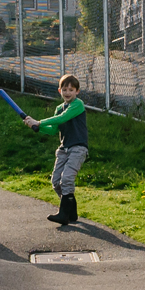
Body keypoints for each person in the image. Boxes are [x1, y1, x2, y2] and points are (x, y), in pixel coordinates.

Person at [25, 74, 88, 225]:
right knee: (56, 182)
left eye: (71, 90)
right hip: (64, 148)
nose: (67, 93)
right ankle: (71, 211)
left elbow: (62, 119)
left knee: (66, 179)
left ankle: (63, 214)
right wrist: (35, 127)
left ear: (77, 91)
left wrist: (38, 122)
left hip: (78, 148)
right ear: (59, 90)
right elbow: (53, 130)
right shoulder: (59, 108)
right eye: (64, 89)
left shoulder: (78, 104)